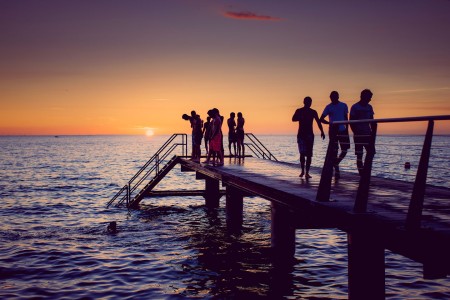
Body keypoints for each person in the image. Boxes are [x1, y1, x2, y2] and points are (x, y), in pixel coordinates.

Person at [292, 97, 325, 178]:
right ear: (304, 102)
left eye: (310, 102)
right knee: (302, 154)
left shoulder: (313, 112)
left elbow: (318, 122)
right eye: (308, 101)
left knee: (309, 155)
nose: (309, 103)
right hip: (301, 135)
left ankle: (307, 172)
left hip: (309, 135)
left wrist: (322, 131)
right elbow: (293, 119)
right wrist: (300, 117)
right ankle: (303, 171)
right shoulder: (299, 110)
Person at [320, 91, 350, 179]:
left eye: (334, 96)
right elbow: (321, 119)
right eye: (331, 97)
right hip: (333, 131)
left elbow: (346, 118)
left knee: (344, 150)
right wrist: (330, 123)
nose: (332, 98)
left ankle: (336, 163)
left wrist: (347, 129)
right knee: (334, 151)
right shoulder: (328, 107)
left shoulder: (343, 105)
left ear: (338, 96)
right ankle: (337, 171)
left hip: (343, 130)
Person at [350, 89, 376, 175]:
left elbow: (372, 120)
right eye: (369, 97)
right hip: (358, 134)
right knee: (359, 155)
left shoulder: (370, 107)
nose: (370, 99)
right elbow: (351, 122)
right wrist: (356, 132)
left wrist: (373, 133)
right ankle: (362, 174)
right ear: (363, 96)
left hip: (368, 134)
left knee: (371, 152)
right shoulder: (355, 107)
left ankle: (366, 171)